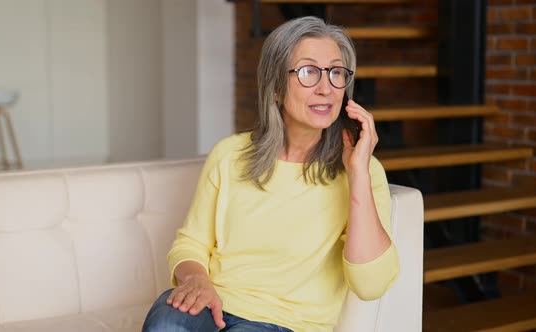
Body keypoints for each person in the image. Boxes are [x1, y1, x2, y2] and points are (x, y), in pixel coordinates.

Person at [142, 16, 399, 332]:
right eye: (308, 72)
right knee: (168, 323)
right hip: (213, 305)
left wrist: (357, 173)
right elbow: (191, 243)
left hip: (284, 324)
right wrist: (197, 282)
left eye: (336, 72)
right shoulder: (229, 154)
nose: (325, 88)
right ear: (276, 87)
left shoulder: (363, 169)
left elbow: (370, 285)